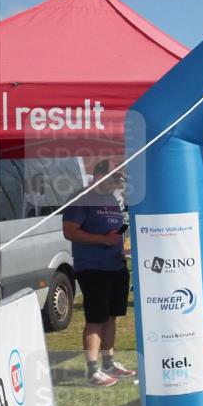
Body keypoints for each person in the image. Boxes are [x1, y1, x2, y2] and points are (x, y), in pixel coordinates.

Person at [62, 160, 136, 387]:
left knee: (112, 316)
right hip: (92, 267)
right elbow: (70, 231)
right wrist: (103, 240)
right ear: (99, 175)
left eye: (120, 179)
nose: (117, 183)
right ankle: (93, 371)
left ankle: (108, 363)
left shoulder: (112, 199)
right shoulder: (81, 198)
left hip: (116, 265)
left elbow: (113, 232)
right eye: (114, 178)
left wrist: (120, 249)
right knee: (96, 318)